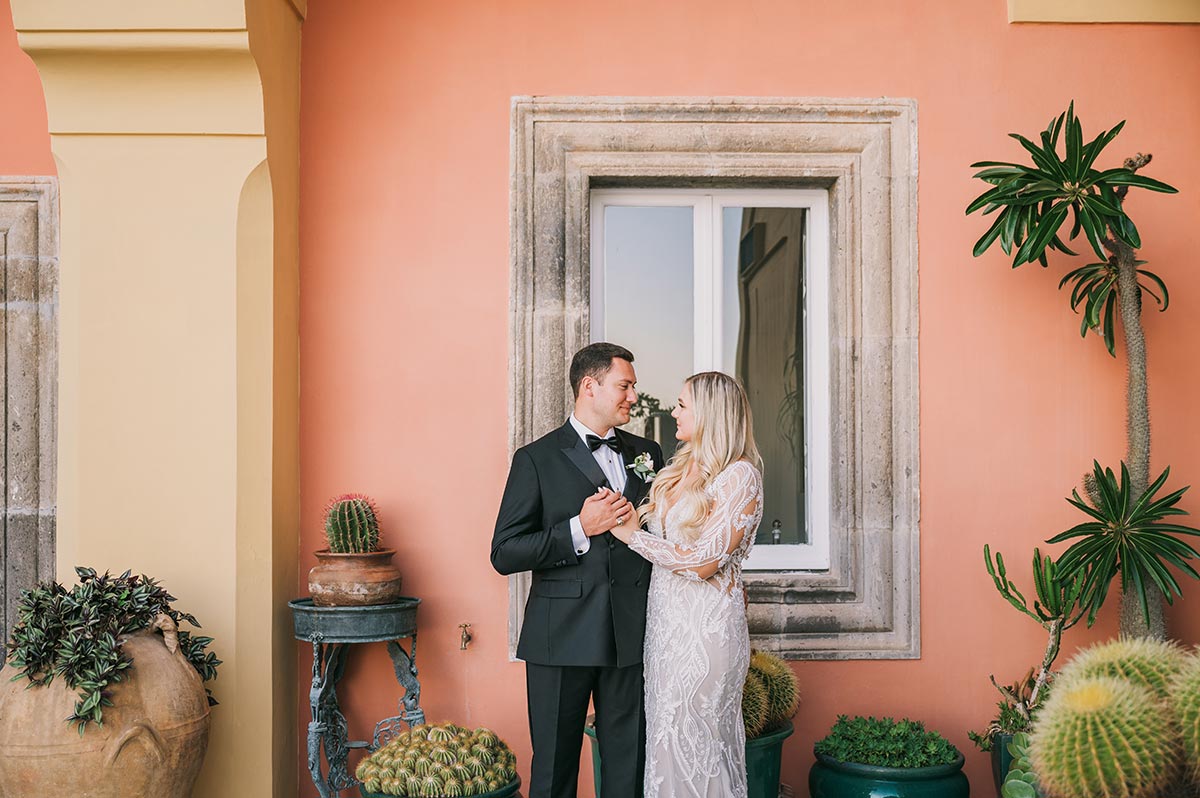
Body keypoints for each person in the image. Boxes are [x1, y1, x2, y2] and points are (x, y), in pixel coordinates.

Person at [491, 342, 665, 798]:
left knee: (630, 766)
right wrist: (577, 528)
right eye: (624, 386)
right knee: (553, 770)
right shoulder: (536, 458)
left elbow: (665, 538)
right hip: (559, 639)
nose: (633, 397)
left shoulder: (649, 453)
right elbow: (505, 552)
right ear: (590, 386)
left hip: (632, 634)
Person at [608, 371, 765, 798]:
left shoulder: (740, 476)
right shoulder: (681, 469)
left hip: (705, 629)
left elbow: (703, 562)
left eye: (681, 404)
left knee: (700, 744)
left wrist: (632, 537)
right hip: (664, 626)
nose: (672, 411)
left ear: (710, 413)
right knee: (666, 739)